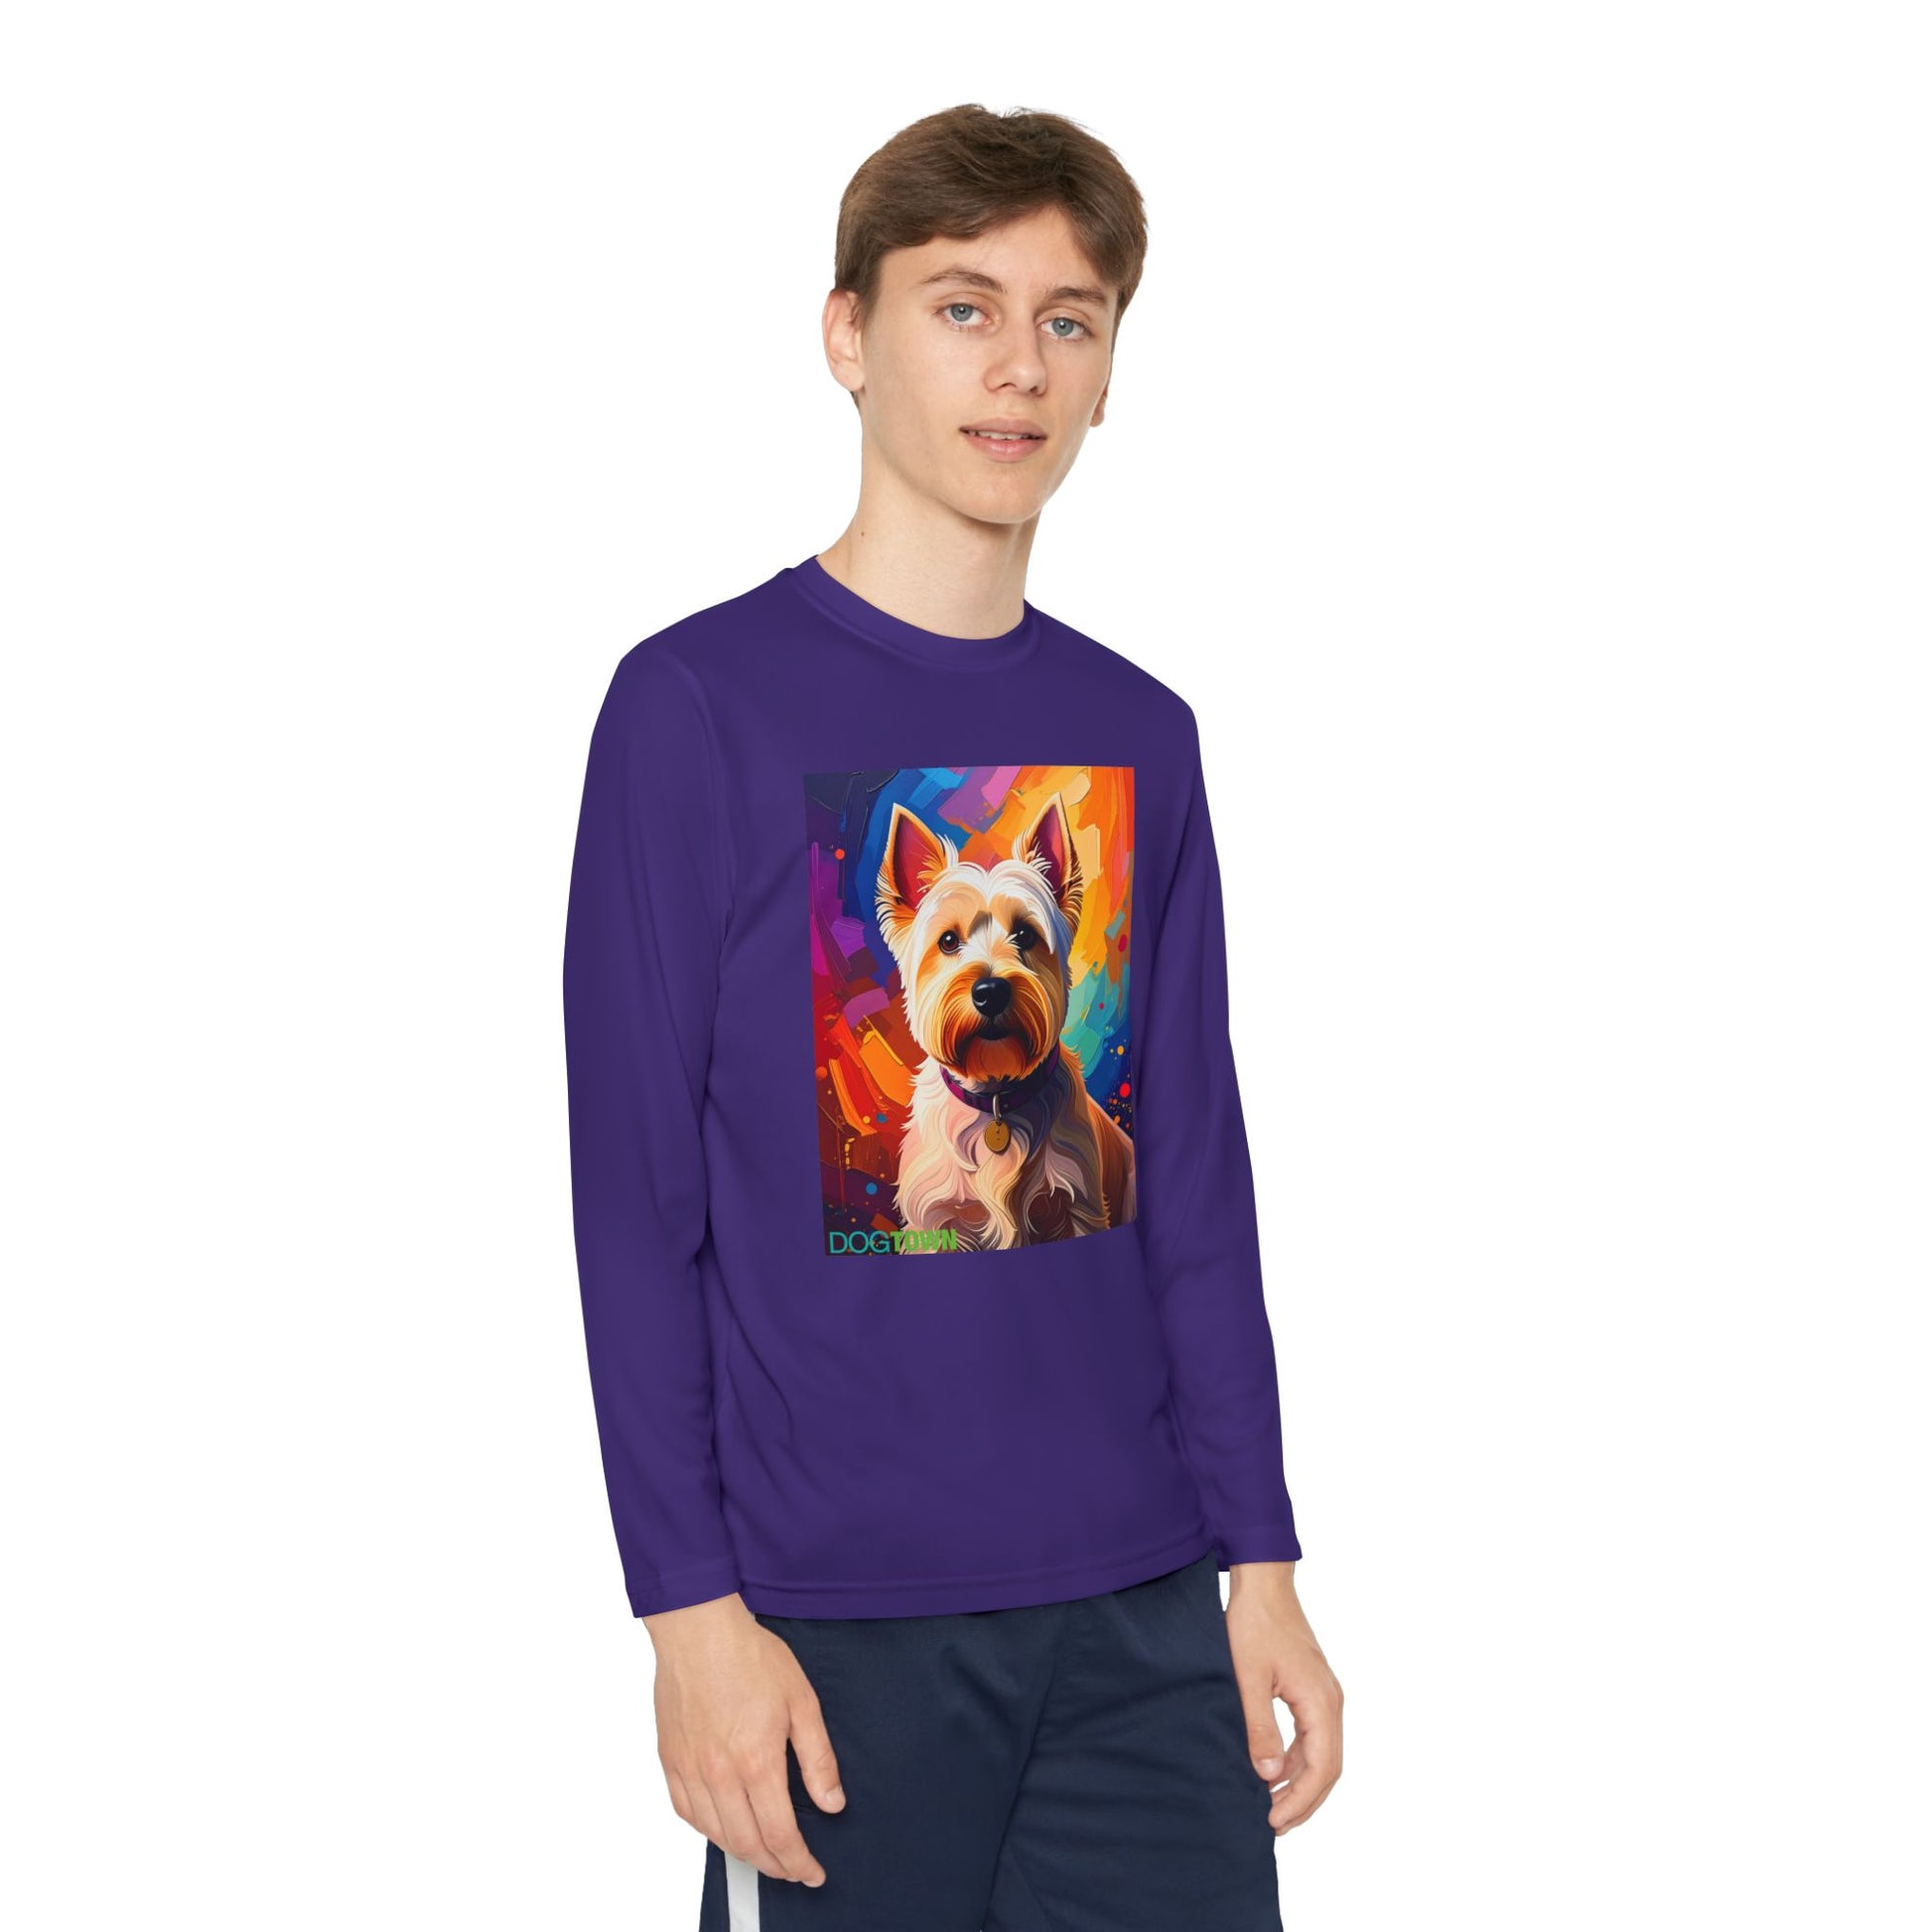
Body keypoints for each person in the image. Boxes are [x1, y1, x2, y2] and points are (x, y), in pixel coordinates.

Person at [562, 102, 1343, 1930]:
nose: (1020, 367)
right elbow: (632, 1204)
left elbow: (1197, 1188)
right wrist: (687, 1615)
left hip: (1142, 1611)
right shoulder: (694, 709)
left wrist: (1262, 1559)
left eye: (1069, 319)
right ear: (847, 336)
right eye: (961, 306)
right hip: (830, 1627)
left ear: (1108, 370)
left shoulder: (1141, 733)